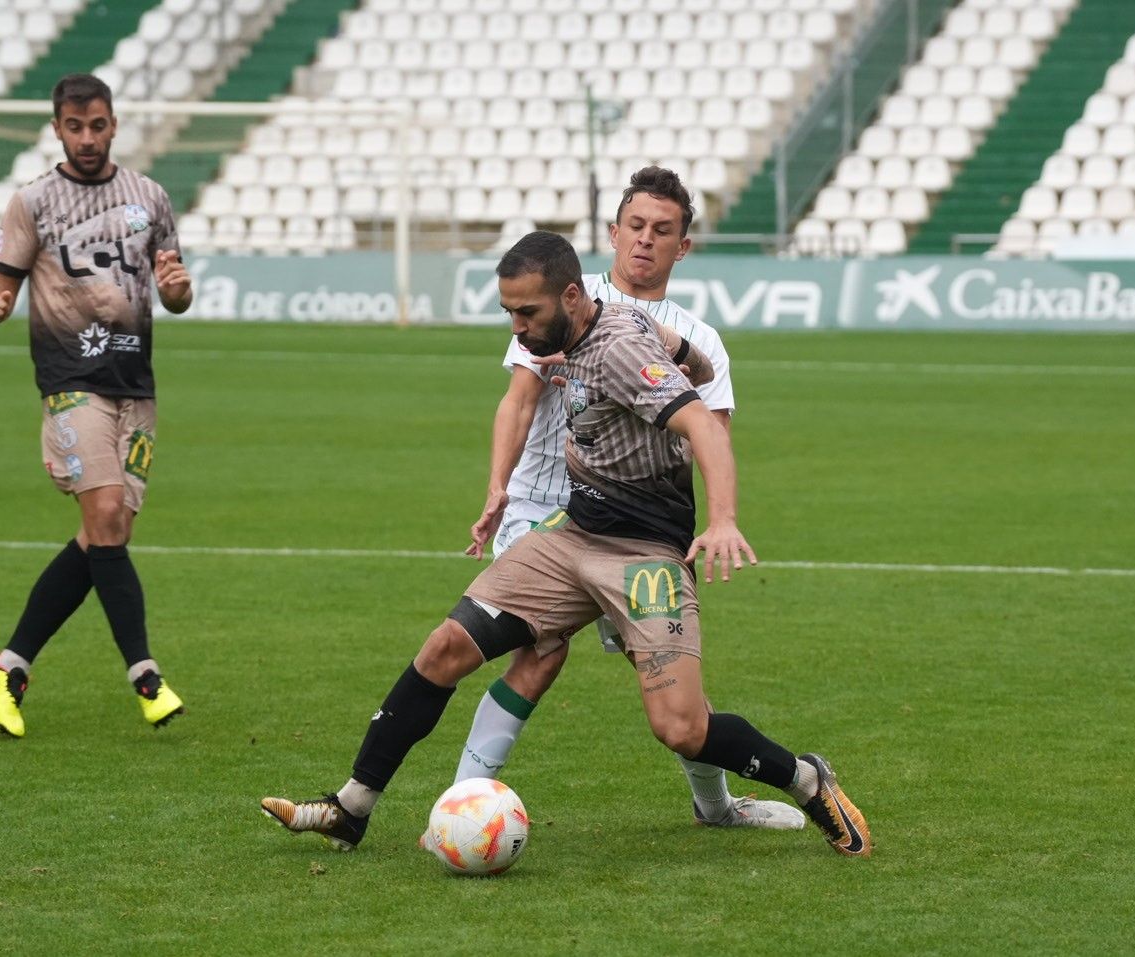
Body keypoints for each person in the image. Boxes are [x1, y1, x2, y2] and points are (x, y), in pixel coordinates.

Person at [261, 231, 870, 859]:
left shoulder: (619, 352)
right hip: (571, 534)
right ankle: (352, 806)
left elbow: (700, 424)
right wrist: (682, 352)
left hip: (642, 554)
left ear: (572, 296)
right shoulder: (599, 322)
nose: (519, 329)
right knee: (446, 648)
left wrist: (723, 520)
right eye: (509, 313)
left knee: (682, 728)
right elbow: (699, 366)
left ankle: (804, 778)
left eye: (528, 313)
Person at [456, 166, 802, 831]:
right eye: (635, 226)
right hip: (543, 506)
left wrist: (700, 526)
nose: (645, 240)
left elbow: (709, 434)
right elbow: (520, 396)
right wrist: (498, 485)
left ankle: (714, 806)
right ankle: (465, 798)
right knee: (541, 646)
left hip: (635, 522)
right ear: (612, 233)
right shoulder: (559, 300)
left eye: (662, 230)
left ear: (682, 247)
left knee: (664, 668)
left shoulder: (696, 340)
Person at [0, 73, 192, 738]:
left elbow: (175, 293)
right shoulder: (33, 201)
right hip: (71, 381)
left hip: (136, 385)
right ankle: (146, 678)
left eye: (98, 125)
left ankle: (7, 665)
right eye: (75, 127)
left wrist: (178, 288)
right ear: (57, 128)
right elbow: (4, 281)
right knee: (103, 515)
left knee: (106, 533)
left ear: (114, 123)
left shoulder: (148, 197)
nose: (88, 138)